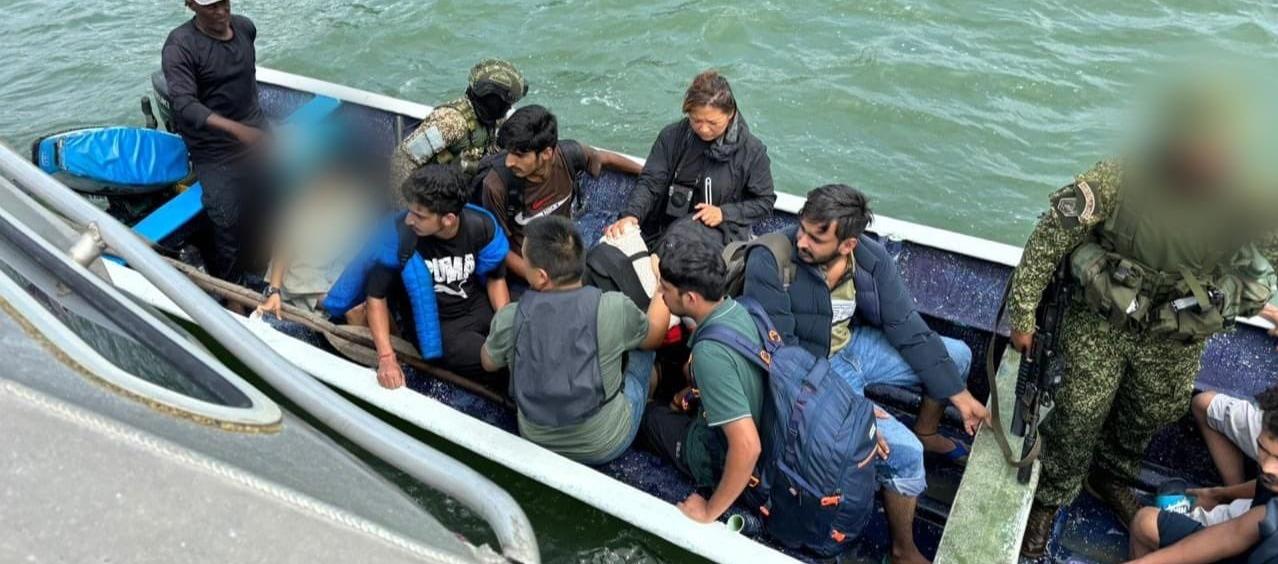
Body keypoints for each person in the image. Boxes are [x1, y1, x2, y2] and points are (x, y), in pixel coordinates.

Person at [1012, 88, 1277, 557]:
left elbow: (1271, 252)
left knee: (1153, 410)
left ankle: (1109, 476)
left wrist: (1257, 301)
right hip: (1101, 322)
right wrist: (1023, 314)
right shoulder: (1118, 177)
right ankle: (1053, 497)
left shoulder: (1248, 197)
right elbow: (1049, 239)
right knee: (1076, 413)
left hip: (1175, 333)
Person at [742, 183, 986, 564]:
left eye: (816, 237)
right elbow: (784, 361)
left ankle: (929, 431)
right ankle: (902, 550)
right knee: (904, 455)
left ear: (848, 244)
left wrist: (959, 394)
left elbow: (906, 325)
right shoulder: (771, 260)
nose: (801, 241)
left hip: (852, 347)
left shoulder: (870, 260)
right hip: (812, 375)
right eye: (802, 228)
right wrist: (857, 413)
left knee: (956, 358)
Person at [479, 216, 670, 464]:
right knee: (642, 346)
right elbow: (655, 337)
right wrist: (661, 286)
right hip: (604, 443)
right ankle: (649, 395)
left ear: (540, 277)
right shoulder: (612, 307)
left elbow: (488, 362)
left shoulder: (510, 317)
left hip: (534, 438)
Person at [322, 164, 510, 386]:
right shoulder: (400, 236)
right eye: (410, 211)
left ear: (448, 219)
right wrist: (386, 358)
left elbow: (496, 279)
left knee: (526, 345)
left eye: (419, 216)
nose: (410, 220)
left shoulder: (481, 225)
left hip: (479, 310)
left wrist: (504, 324)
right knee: (500, 363)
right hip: (442, 328)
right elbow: (375, 297)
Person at [639, 238, 765, 524]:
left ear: (691, 299)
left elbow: (747, 446)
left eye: (666, 290)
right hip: (747, 409)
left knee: (645, 416)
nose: (660, 294)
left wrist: (709, 511)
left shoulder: (709, 354)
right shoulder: (739, 310)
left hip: (712, 453)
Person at [162, 0, 269, 286]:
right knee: (225, 216)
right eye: (211, 7)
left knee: (267, 203)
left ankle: (263, 271)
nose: (221, 12)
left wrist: (255, 128)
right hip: (215, 150)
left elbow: (246, 82)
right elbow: (184, 104)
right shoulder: (180, 46)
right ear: (190, 5)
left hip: (256, 134)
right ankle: (232, 291)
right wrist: (237, 131)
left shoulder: (245, 28)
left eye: (224, 3)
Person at [604, 70, 775, 247]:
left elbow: (765, 202)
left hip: (717, 236)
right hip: (665, 227)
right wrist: (632, 215)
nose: (704, 129)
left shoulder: (753, 152)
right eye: (696, 120)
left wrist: (724, 213)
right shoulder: (672, 136)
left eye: (712, 123)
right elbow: (650, 182)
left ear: (730, 113)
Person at [479, 105, 642, 281]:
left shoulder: (569, 155)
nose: (510, 162)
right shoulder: (497, 186)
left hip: (564, 252)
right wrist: (538, 280)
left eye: (519, 155)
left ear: (547, 153)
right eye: (509, 153)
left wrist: (648, 174)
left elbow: (604, 159)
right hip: (529, 270)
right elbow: (498, 247)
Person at [1126, 387, 1278, 563]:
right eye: (1262, 449)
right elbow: (1233, 532)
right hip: (1255, 526)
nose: (1266, 467)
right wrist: (1218, 494)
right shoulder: (1264, 511)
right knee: (1144, 522)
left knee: (1145, 524)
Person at [388, 59, 527, 198]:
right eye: (505, 103)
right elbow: (403, 159)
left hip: (462, 185)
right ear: (492, 100)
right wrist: (406, 206)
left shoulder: (492, 119)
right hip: (433, 193)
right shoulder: (451, 123)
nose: (508, 107)